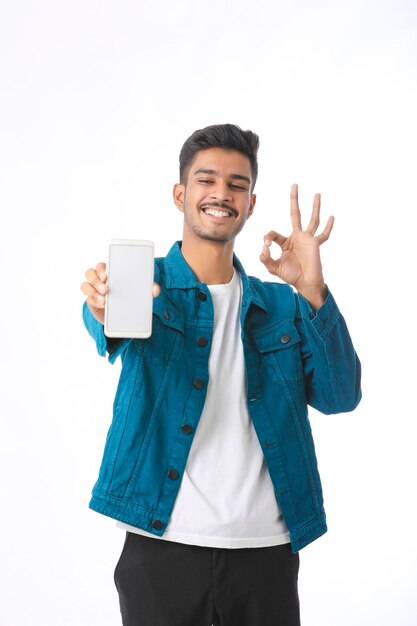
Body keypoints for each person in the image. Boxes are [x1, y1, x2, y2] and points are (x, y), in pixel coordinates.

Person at [81, 124, 361, 626]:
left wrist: (314, 290)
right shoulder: (146, 285)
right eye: (206, 179)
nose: (221, 193)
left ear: (251, 203)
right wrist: (103, 308)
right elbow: (104, 321)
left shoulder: (281, 307)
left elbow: (341, 395)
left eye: (237, 184)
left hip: (267, 550)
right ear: (180, 193)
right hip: (161, 544)